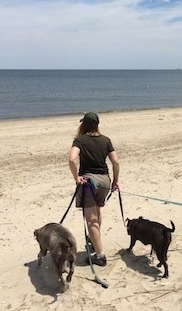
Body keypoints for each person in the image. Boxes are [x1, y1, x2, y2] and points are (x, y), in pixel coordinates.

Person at [68, 112, 120, 266]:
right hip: (104, 181)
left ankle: (100, 255)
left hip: (89, 183)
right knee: (97, 212)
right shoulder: (106, 140)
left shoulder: (80, 140)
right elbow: (116, 162)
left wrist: (76, 178)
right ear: (97, 124)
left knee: (91, 219)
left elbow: (72, 159)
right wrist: (115, 181)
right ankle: (93, 240)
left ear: (83, 124)